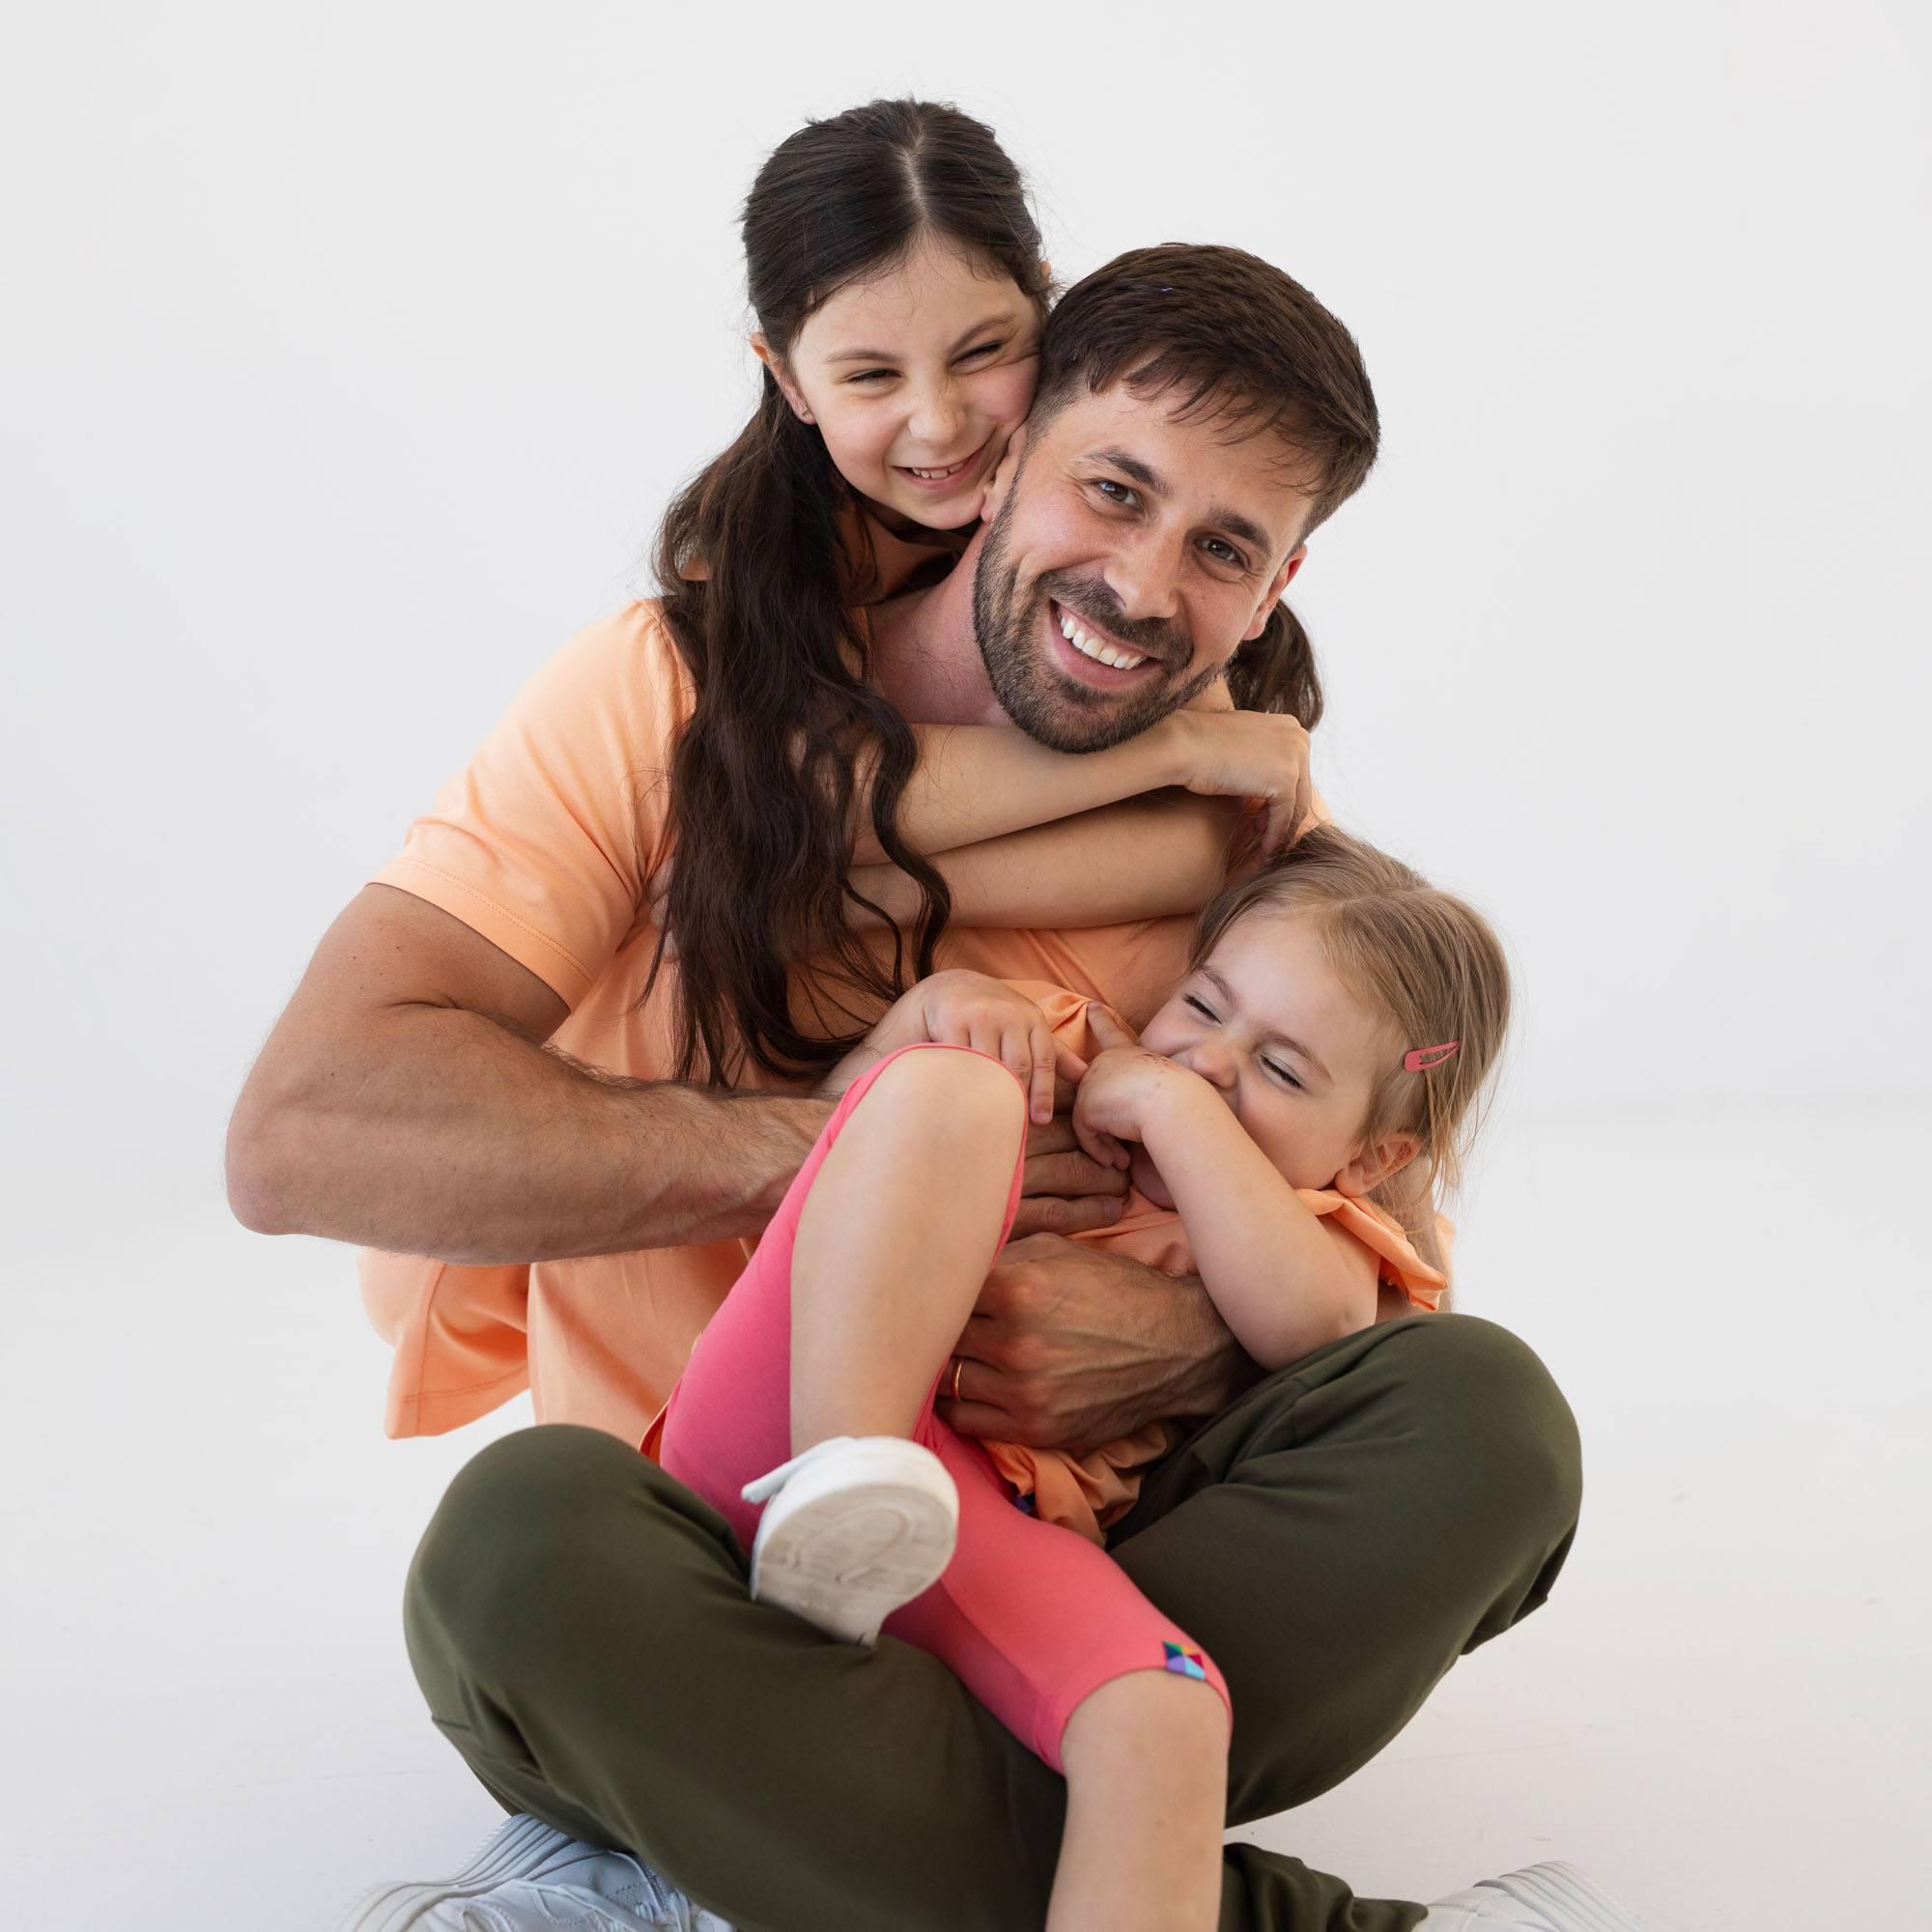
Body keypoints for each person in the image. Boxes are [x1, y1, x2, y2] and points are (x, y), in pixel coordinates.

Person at [229, 99, 1607, 1932]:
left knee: (1487, 1421)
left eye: (1221, 549)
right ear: (1014, 450)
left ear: (1281, 584)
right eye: (1113, 491)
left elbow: (1381, 1253)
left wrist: (1179, 1347)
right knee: (517, 1550)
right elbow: (300, 1136)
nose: (1138, 587)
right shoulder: (670, 701)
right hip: (711, 1572)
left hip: (1071, 1570)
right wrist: (860, 1161)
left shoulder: (1260, 834)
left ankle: (744, 1865)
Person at [656, 826, 1505, 1931]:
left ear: (1370, 1157)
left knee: (1165, 1712)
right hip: (782, 1430)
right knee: (949, 1093)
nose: (1205, 1063)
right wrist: (935, 1012)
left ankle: (766, 1790)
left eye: (1281, 1068)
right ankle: (841, 1477)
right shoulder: (1068, 1056)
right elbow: (842, 1145)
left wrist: (1172, 1112)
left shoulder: (1316, 1227)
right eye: (1201, 1007)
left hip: (963, 1529)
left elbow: (1316, 1324)